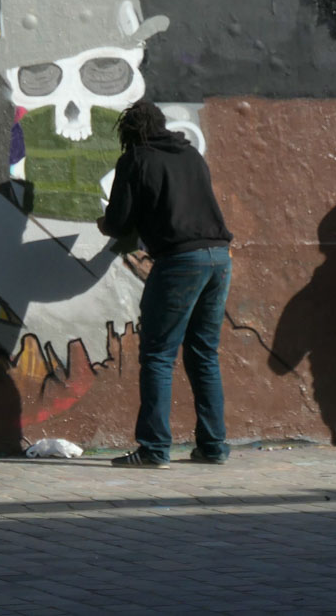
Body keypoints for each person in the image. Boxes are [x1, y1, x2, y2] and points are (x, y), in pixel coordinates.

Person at [98, 100, 234, 467]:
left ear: (129, 132)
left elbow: (119, 222)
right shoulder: (191, 156)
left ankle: (154, 449)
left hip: (180, 262)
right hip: (219, 258)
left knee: (158, 355)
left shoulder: (136, 159)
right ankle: (213, 446)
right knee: (204, 354)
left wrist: (104, 224)